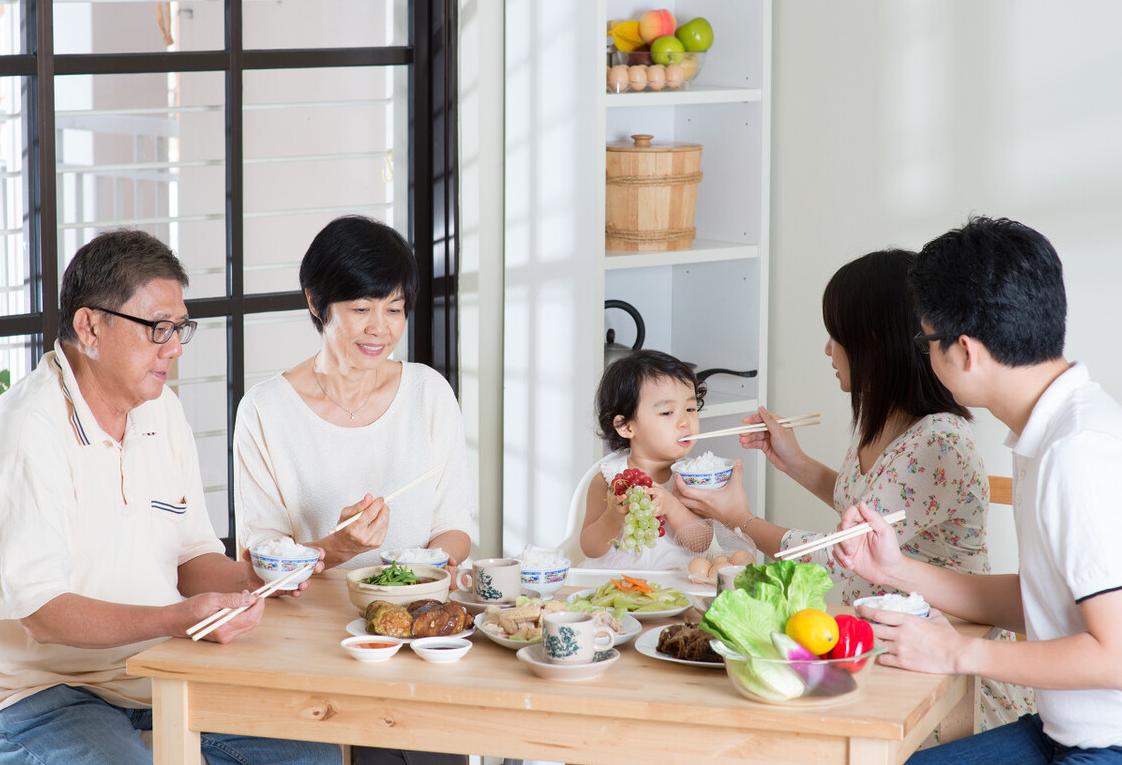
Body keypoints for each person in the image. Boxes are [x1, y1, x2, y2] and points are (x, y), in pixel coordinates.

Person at [0, 230, 337, 764]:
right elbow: (42, 612)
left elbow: (190, 556)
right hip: (42, 694)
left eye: (180, 329)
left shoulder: (161, 411)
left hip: (154, 673)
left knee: (307, 751)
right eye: (159, 329)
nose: (175, 348)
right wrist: (174, 620)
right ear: (90, 326)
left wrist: (257, 579)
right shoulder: (28, 428)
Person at [675, 249, 1033, 732]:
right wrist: (794, 462)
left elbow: (839, 557)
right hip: (878, 635)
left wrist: (743, 521)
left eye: (836, 336)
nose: (827, 350)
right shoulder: (882, 421)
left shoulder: (936, 441)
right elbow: (862, 508)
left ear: (871, 343)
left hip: (942, 664)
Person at [836, 217, 1122, 763]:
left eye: (926, 340)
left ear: (964, 350)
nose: (924, 353)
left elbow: (1116, 658)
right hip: (1065, 727)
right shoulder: (1054, 430)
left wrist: (958, 651)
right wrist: (894, 569)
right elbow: (1043, 600)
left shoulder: (1077, 452)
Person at [233, 216, 476, 765]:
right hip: (311, 639)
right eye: (361, 309)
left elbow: (455, 526)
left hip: (417, 623)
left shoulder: (429, 393)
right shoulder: (266, 411)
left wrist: (423, 568)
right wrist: (341, 549)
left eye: (394, 309)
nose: (380, 329)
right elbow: (259, 564)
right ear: (317, 302)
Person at [580, 350, 713, 569]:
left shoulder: (695, 478)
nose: (685, 422)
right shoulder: (607, 479)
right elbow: (589, 548)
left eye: (690, 408)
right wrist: (612, 517)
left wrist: (673, 507)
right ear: (626, 426)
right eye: (667, 412)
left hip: (675, 586)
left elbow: (702, 543)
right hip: (615, 586)